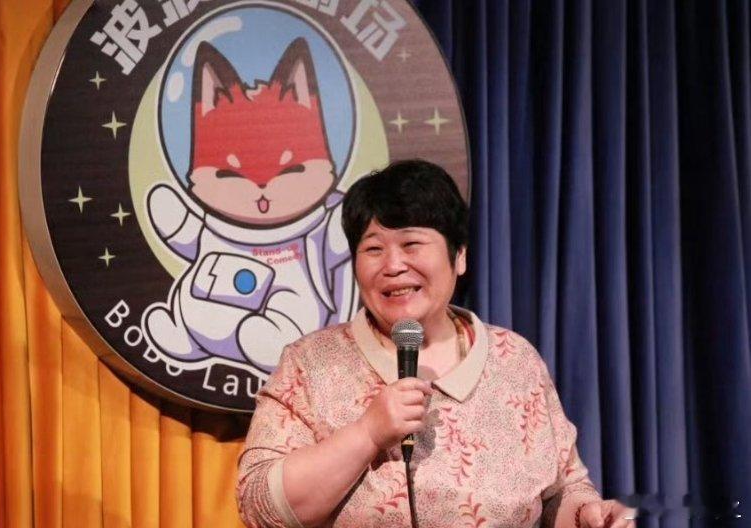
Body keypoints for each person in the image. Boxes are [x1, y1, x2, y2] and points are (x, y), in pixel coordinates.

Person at [236, 159, 635, 527]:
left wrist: (586, 515)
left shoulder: (514, 360)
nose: (393, 266)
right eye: (373, 249)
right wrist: (367, 435)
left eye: (411, 245)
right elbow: (259, 505)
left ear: (459, 256)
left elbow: (561, 489)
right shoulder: (312, 364)